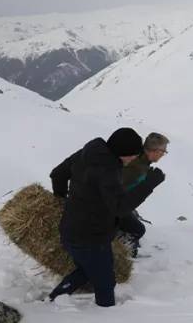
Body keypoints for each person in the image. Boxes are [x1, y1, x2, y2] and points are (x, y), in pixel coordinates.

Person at [47, 128, 165, 307]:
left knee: (87, 270)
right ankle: (106, 314)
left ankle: (51, 300)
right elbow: (120, 207)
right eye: (132, 155)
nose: (134, 159)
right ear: (122, 152)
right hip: (92, 238)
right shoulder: (108, 170)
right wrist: (149, 184)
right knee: (106, 284)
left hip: (70, 229)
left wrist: (63, 202)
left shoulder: (88, 153)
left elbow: (58, 174)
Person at [118, 132, 170, 257]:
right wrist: (148, 184)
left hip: (112, 202)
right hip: (110, 206)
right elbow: (123, 193)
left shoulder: (139, 160)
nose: (163, 154)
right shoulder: (138, 168)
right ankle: (125, 254)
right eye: (163, 151)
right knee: (138, 229)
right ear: (154, 150)